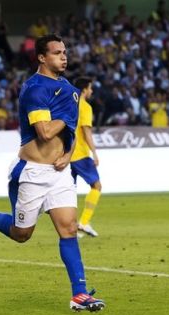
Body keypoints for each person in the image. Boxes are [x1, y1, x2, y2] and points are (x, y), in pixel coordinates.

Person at [0, 34, 105, 312]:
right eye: (56, 53)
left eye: (65, 52)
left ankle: (79, 294)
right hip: (31, 172)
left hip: (59, 172)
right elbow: (44, 132)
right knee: (21, 234)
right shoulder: (34, 89)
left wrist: (66, 154)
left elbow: (71, 133)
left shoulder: (71, 90)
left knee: (69, 229)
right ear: (42, 57)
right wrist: (64, 116)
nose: (64, 57)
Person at [70, 77, 102, 237]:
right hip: (80, 153)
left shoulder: (69, 103)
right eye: (90, 88)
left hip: (65, 154)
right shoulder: (85, 107)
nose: (91, 91)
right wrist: (94, 152)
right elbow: (86, 131)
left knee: (68, 193)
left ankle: (72, 228)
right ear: (84, 90)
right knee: (96, 186)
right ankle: (84, 222)